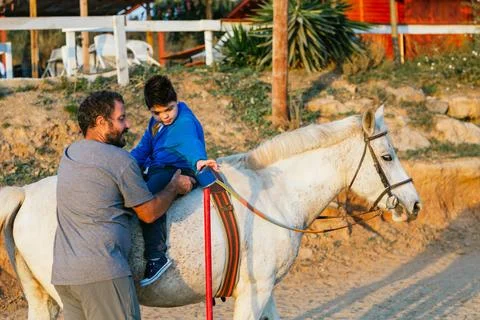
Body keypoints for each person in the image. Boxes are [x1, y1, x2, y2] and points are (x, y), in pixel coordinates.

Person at [52, 91, 194, 320]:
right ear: (100, 122)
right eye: (121, 119)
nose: (128, 124)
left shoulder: (70, 154)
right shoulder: (119, 160)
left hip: (65, 276)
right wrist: (173, 187)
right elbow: (148, 213)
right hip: (102, 276)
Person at [131, 75, 218, 287]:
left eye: (168, 109)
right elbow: (144, 148)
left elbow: (191, 145)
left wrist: (199, 161)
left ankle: (156, 256)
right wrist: (125, 163)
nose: (165, 116)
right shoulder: (156, 123)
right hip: (157, 166)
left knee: (148, 199)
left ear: (176, 100)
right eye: (157, 112)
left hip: (179, 169)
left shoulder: (185, 123)